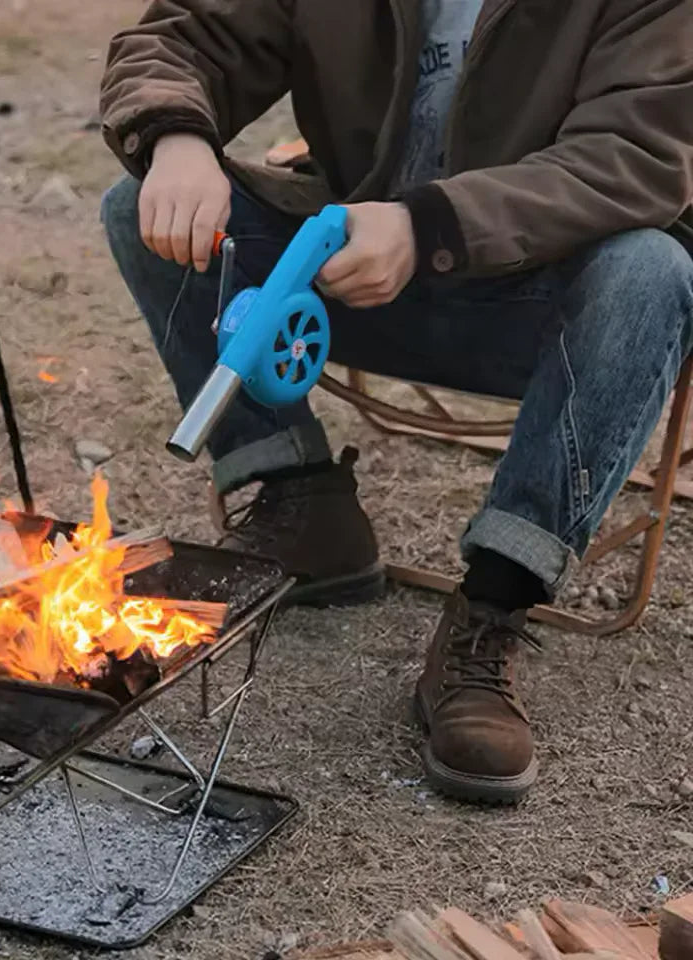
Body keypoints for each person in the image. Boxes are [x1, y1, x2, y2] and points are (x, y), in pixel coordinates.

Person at [97, 0, 693, 803]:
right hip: (353, 272)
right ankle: (304, 505)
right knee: (139, 206)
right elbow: (190, 36)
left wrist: (425, 227)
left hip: (539, 304)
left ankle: (495, 604)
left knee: (652, 272)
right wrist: (176, 138)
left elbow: (634, 156)